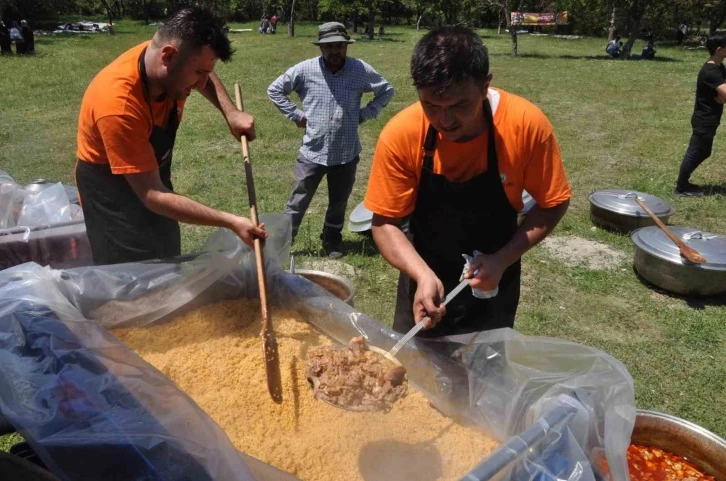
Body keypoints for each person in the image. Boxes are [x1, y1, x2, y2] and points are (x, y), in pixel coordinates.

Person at [363, 26, 571, 338]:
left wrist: (502, 259)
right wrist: (420, 275)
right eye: (431, 105)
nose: (444, 121)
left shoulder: (525, 126)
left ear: (486, 85)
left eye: (459, 106)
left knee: (485, 377)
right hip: (422, 274)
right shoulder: (402, 134)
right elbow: (385, 222)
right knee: (413, 376)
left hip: (494, 280)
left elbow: (553, 202)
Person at [75, 7, 266, 265]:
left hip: (153, 178)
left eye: (206, 72)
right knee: (130, 282)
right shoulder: (118, 106)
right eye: (198, 73)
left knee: (167, 258)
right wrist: (230, 221)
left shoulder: (173, 58)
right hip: (112, 194)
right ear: (168, 56)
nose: (201, 83)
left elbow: (204, 70)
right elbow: (152, 194)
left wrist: (230, 112)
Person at [267, 22, 394, 257]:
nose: (334, 51)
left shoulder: (359, 69)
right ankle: (282, 243)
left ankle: (331, 239)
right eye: (328, 46)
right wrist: (296, 115)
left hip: (346, 152)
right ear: (320, 48)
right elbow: (275, 89)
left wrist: (365, 113)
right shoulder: (305, 70)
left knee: (339, 201)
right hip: (313, 151)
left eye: (339, 46)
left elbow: (386, 90)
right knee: (298, 200)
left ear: (346, 46)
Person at [675, 36, 726, 197]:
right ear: (719, 49)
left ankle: (684, 183)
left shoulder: (719, 67)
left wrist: (722, 96)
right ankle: (681, 187)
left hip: (711, 118)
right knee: (695, 151)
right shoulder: (710, 71)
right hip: (704, 119)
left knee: (704, 151)